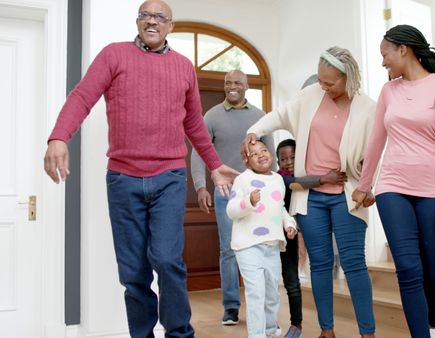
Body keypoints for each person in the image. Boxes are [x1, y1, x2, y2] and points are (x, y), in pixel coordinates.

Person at [43, 1, 238, 337]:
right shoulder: (114, 55)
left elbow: (193, 122)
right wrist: (59, 137)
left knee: (167, 260)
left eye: (160, 17)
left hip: (169, 177)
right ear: (137, 22)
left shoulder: (183, 66)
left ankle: (179, 333)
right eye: (145, 15)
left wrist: (215, 164)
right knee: (133, 272)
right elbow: (82, 97)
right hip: (123, 179)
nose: (152, 21)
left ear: (170, 26)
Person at [243, 46, 377, 338]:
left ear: (349, 77)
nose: (324, 86)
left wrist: (369, 187)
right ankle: (326, 331)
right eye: (321, 80)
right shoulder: (310, 96)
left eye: (331, 82)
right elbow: (278, 115)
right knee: (320, 263)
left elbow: (376, 153)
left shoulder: (368, 108)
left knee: (354, 264)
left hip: (347, 195)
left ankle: (368, 333)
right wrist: (253, 131)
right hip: (311, 197)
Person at [352, 24, 435, 338]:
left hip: (431, 191)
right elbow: (377, 140)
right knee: (408, 268)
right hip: (392, 187)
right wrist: (365, 185)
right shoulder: (389, 91)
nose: (383, 62)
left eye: (385, 54)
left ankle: (433, 324)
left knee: (432, 272)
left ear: (403, 49)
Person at [190, 69, 275, 325]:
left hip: (258, 192)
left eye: (237, 82)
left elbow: (269, 154)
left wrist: (274, 192)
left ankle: (261, 308)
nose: (232, 86)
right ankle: (230, 307)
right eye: (228, 83)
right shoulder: (212, 115)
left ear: (246, 85)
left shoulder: (261, 118)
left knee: (261, 247)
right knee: (228, 249)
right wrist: (200, 186)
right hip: (226, 192)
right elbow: (198, 151)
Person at [275, 138, 348, 338]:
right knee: (288, 280)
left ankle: (300, 324)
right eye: (283, 159)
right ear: (278, 163)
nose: (288, 162)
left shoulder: (308, 174)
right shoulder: (280, 178)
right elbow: (296, 184)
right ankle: (289, 324)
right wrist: (325, 178)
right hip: (284, 234)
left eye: (293, 157)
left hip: (303, 228)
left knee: (297, 278)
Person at [226, 140, 298, 338]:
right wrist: (248, 202)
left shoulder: (277, 180)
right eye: (254, 153)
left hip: (272, 245)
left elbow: (280, 207)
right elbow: (231, 210)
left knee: (272, 293)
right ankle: (257, 334)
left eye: (263, 150)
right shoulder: (243, 179)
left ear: (271, 154)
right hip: (247, 246)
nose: (261, 154)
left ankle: (270, 330)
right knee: (256, 293)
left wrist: (289, 224)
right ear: (246, 160)